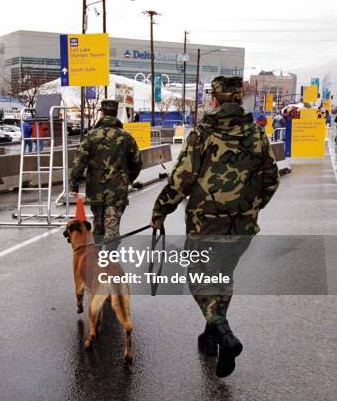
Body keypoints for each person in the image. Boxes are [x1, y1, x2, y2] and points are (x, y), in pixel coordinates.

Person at [150, 76, 279, 378]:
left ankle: (223, 334)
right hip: (242, 228)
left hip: (205, 224)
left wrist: (160, 211)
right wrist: (250, 208)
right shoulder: (258, 135)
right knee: (222, 278)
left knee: (198, 278)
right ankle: (211, 337)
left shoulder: (203, 134)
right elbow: (271, 181)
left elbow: (181, 179)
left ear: (216, 100)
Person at [70, 100, 143, 246]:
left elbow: (79, 162)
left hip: (96, 189)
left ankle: (97, 260)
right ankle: (109, 263)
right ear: (116, 114)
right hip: (117, 190)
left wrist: (74, 184)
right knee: (112, 227)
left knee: (98, 226)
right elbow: (137, 162)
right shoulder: (126, 137)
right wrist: (128, 179)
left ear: (102, 113)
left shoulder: (91, 136)